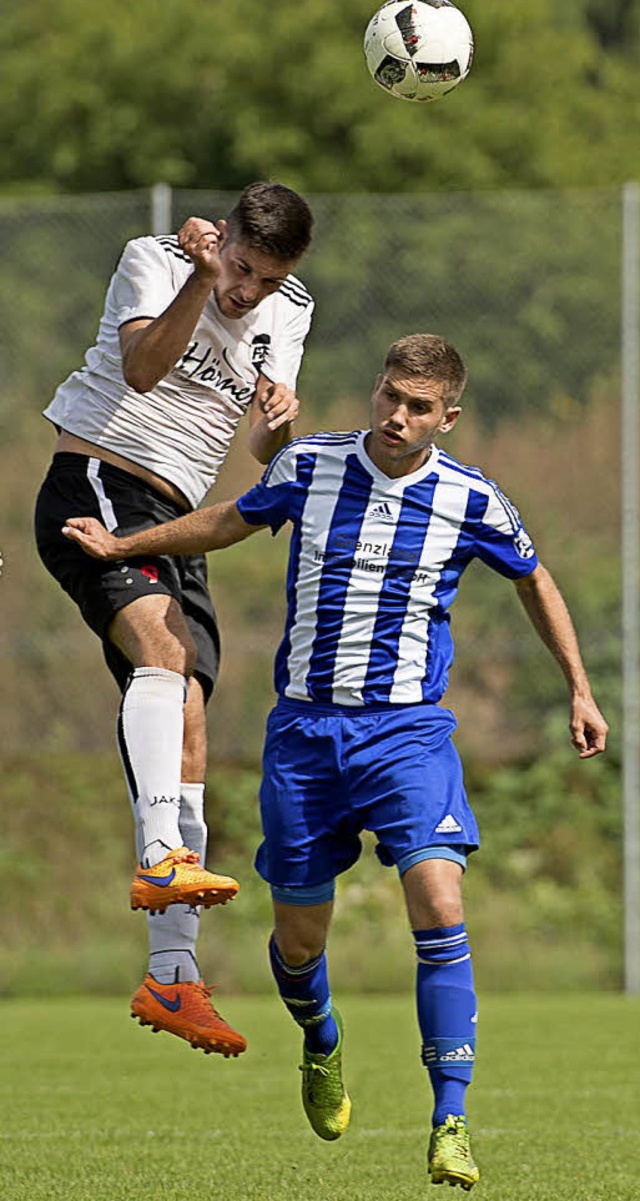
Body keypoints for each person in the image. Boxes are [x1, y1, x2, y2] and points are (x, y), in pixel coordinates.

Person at [62, 332, 608, 1190]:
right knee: (299, 941)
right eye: (388, 395)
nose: (396, 415)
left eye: (417, 407)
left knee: (437, 896)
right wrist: (127, 548)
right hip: (306, 738)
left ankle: (451, 1120)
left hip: (408, 736)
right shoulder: (311, 467)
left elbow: (534, 578)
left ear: (447, 418)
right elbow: (226, 521)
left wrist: (578, 686)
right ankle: (320, 1040)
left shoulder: (471, 500)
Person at [35, 181, 314, 1059]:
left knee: (187, 706)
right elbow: (144, 369)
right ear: (219, 237)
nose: (246, 292)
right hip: (98, 485)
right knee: (163, 648)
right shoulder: (156, 260)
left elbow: (256, 450)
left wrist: (277, 427)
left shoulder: (291, 311)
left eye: (263, 281)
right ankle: (161, 855)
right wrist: (199, 280)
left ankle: (174, 978)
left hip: (174, 522)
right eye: (238, 267)